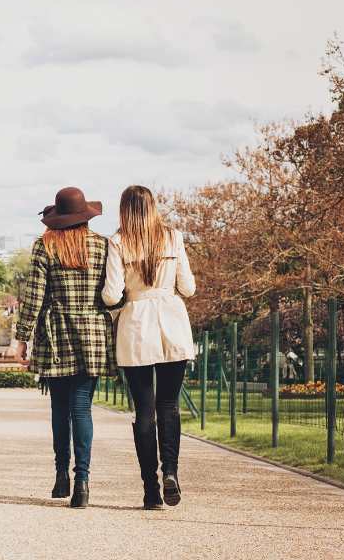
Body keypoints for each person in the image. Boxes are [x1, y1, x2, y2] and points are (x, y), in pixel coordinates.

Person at [14, 187, 115, 509]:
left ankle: (61, 476)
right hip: (92, 333)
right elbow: (115, 292)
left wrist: (22, 336)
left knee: (60, 409)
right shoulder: (102, 246)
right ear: (85, 216)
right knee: (82, 407)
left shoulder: (44, 246)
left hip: (56, 334)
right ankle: (82, 480)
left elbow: (34, 296)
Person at [102, 185, 196, 510]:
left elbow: (112, 295)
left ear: (124, 209)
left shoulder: (117, 241)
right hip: (171, 321)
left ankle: (150, 490)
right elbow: (189, 287)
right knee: (169, 404)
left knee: (144, 409)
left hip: (136, 324)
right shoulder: (174, 236)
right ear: (154, 206)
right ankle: (171, 471)